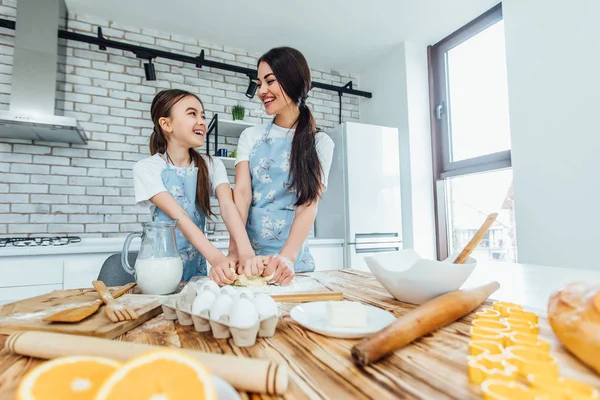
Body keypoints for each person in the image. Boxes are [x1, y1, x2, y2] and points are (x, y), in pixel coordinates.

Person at [133, 89, 264, 284]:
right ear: (166, 124)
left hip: (197, 266)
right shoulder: (147, 168)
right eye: (192, 113)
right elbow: (180, 217)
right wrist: (217, 258)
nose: (202, 121)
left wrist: (244, 251)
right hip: (159, 269)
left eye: (202, 115)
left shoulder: (212, 165)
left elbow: (228, 207)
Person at [230, 47, 335, 285]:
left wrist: (287, 257)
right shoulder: (251, 136)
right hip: (251, 263)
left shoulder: (320, 142)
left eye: (270, 81)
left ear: (292, 81)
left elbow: (308, 204)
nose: (261, 91)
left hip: (293, 265)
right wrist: (236, 250)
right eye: (259, 83)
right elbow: (242, 195)